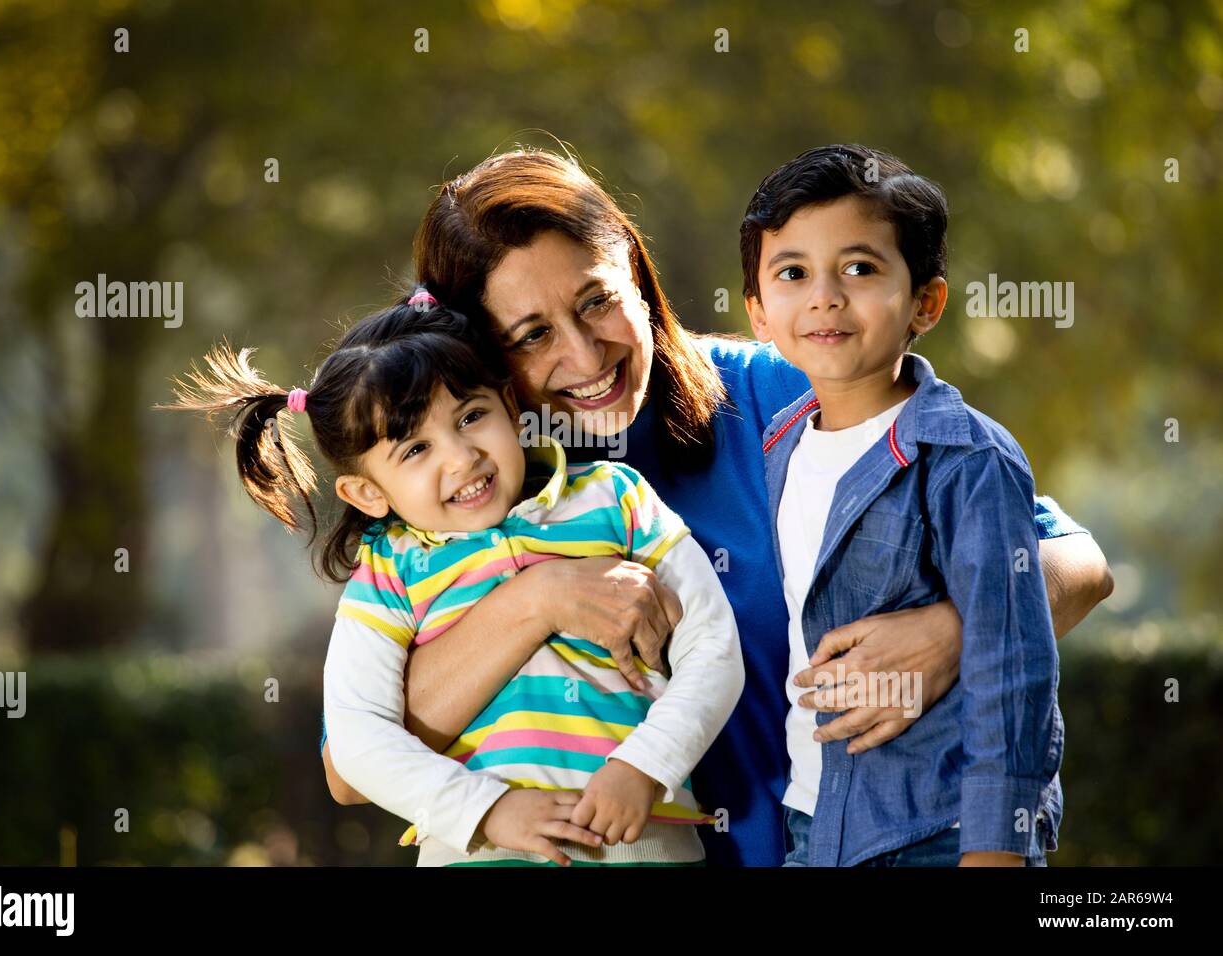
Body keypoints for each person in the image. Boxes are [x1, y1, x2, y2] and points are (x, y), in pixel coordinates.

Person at [323, 147, 1114, 867]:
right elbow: (352, 768)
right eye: (532, 335)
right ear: (481, 361)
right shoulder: (458, 504)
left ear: (635, 266)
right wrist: (543, 598)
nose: (586, 355)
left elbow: (1078, 562)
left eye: (597, 301)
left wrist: (955, 630)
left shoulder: (786, 390)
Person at [168, 293, 744, 866]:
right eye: (416, 448)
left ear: (512, 406)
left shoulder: (616, 499)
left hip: (641, 841)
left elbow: (713, 645)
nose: (461, 458)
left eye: (471, 417)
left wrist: (645, 764)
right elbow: (357, 738)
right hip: (476, 850)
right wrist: (486, 811)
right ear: (367, 492)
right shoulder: (389, 570)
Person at [744, 143, 1062, 866]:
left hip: (938, 831)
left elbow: (1013, 665)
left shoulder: (964, 457)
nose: (825, 295)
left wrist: (996, 849)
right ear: (759, 314)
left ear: (927, 302)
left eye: (860, 268)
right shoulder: (777, 446)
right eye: (793, 273)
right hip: (815, 821)